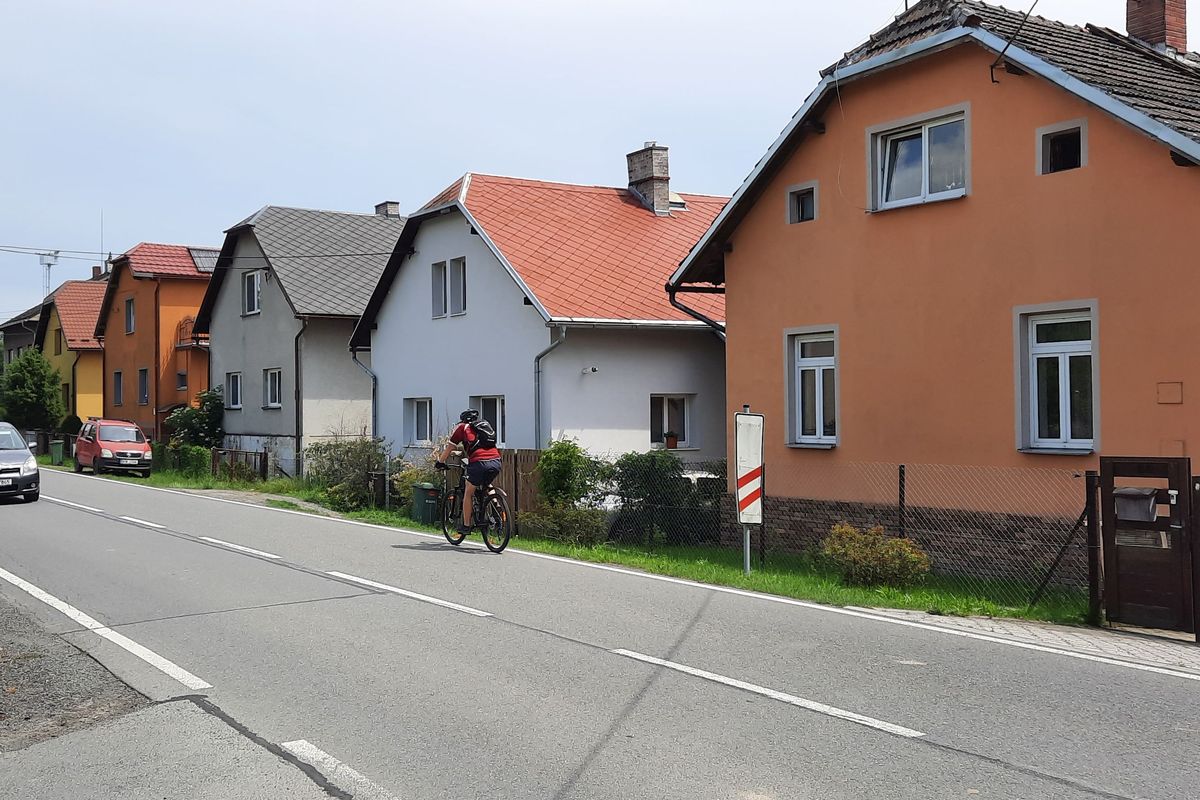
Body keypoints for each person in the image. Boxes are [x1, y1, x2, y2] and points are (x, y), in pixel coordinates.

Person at [436, 409, 502, 533]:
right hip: (496, 461)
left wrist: (440, 462)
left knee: (468, 492)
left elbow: (450, 448)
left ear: (463, 420)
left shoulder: (462, 428)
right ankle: (495, 502)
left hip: (479, 462)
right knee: (487, 484)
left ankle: (466, 525)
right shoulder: (483, 427)